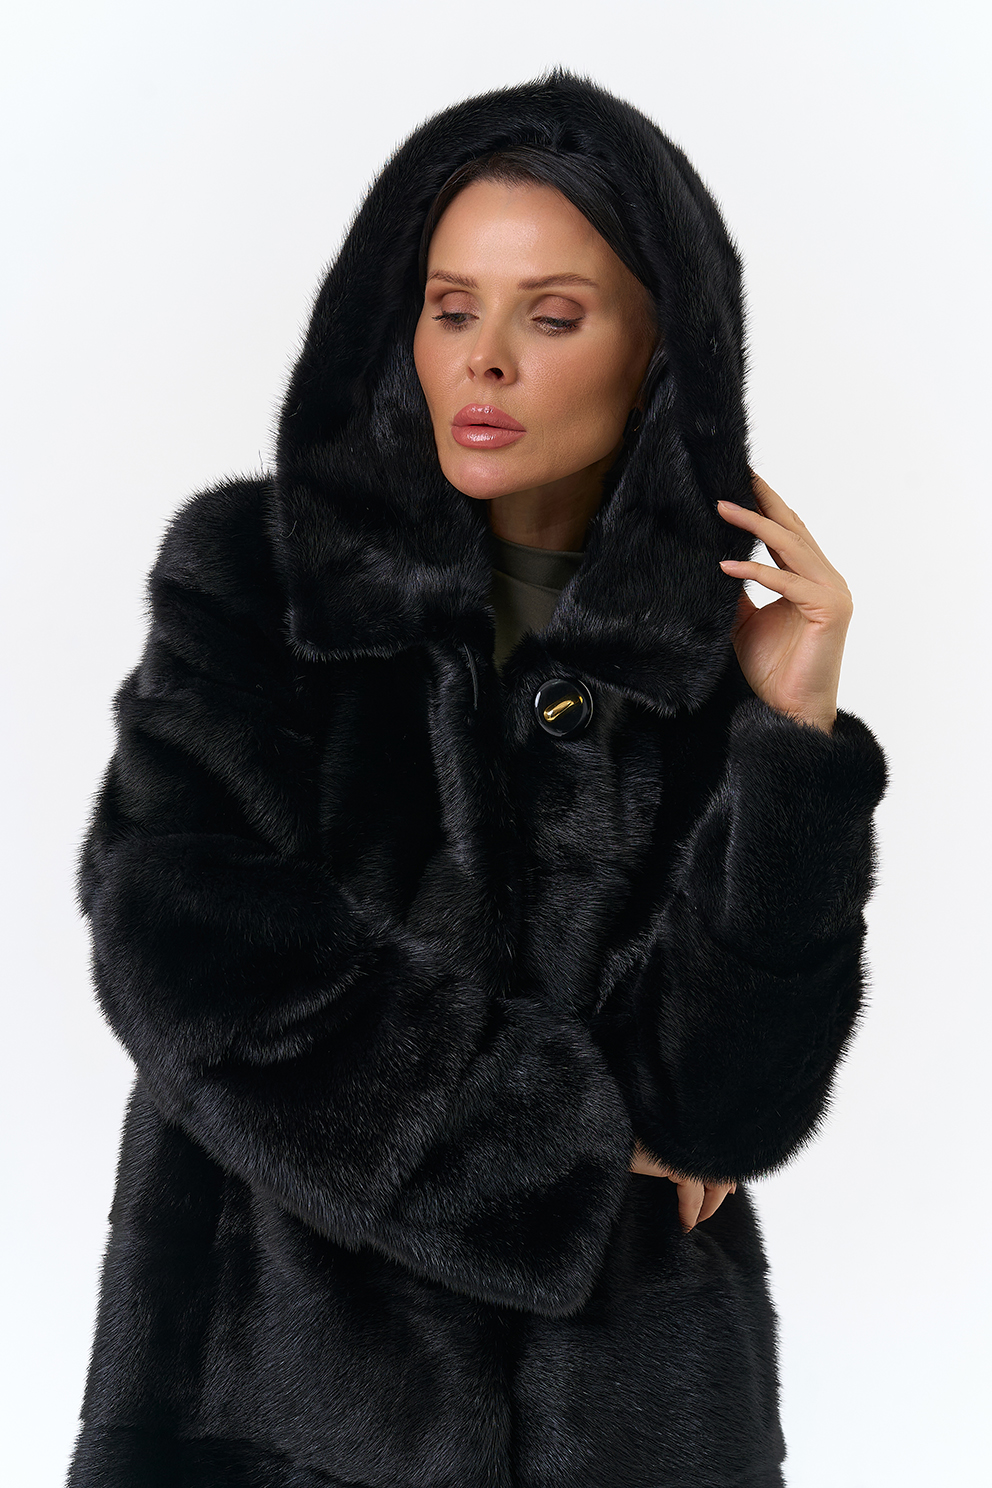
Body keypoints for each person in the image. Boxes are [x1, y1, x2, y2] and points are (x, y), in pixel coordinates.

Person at [68, 69, 888, 1488]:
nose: (484, 361)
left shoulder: (716, 660)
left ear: (661, 346)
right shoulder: (258, 584)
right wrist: (555, 1148)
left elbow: (724, 1117)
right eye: (452, 308)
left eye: (550, 317)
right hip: (271, 1415)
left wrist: (793, 737)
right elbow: (186, 944)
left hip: (631, 1430)